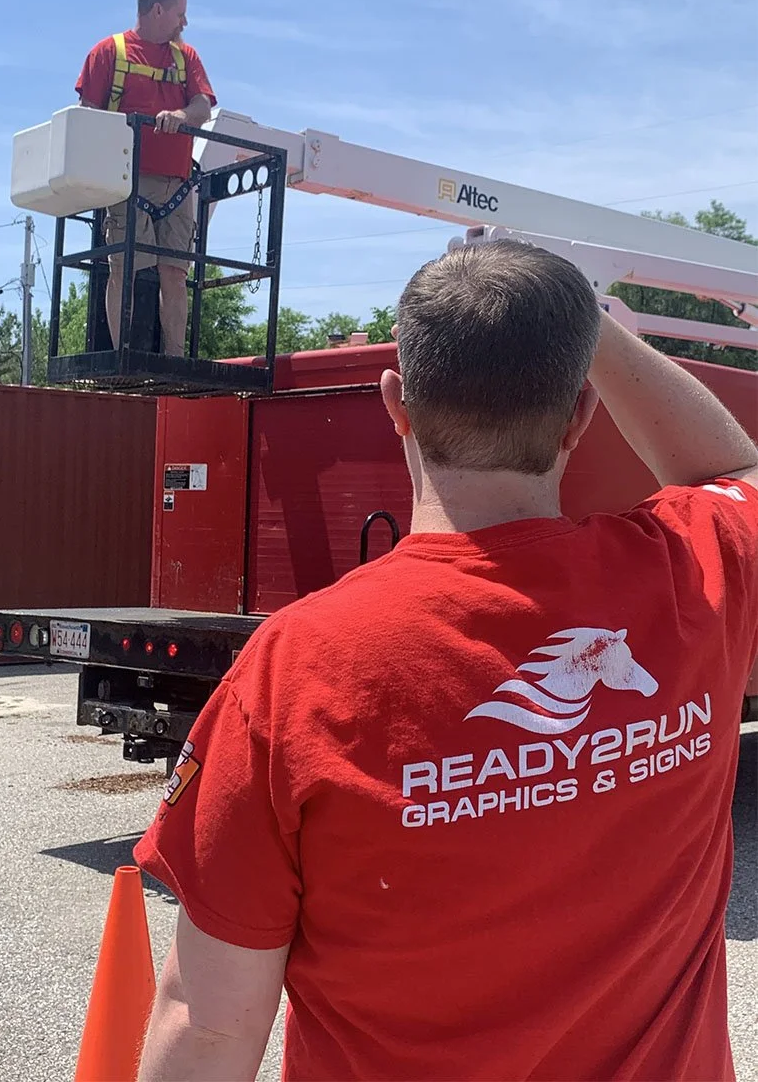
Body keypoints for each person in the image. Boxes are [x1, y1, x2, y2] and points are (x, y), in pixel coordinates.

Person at [134, 239, 758, 1081]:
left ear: (395, 403)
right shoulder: (689, 577)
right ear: (580, 413)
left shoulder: (298, 665)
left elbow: (209, 1025)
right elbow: (734, 465)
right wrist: (592, 326)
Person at [76, 0, 216, 357]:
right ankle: (124, 356)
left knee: (175, 272)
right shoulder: (109, 52)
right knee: (126, 268)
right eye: (180, 14)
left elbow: (202, 108)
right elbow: (88, 116)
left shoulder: (186, 57)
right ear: (157, 10)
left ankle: (173, 359)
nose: (184, 22)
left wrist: (180, 115)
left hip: (178, 184)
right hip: (126, 181)